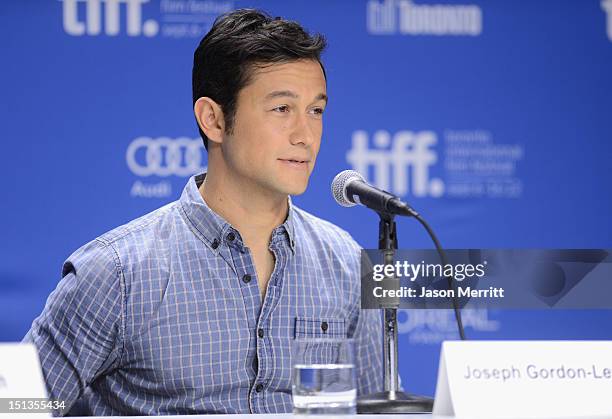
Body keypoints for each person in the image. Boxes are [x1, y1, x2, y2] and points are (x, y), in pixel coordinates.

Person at [24, 9, 383, 415]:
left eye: (316, 111)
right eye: (282, 109)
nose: (305, 135)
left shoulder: (350, 265)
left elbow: (375, 409)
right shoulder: (116, 273)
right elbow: (16, 405)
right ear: (213, 119)